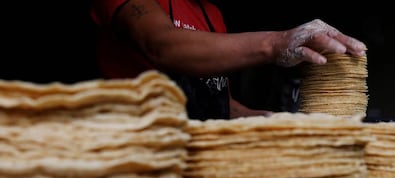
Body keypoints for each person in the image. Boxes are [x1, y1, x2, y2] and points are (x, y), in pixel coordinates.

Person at [89, 0, 367, 120]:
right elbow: (161, 46)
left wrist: (275, 120)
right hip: (134, 153)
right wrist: (275, 43)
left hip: (198, 158)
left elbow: (220, 105)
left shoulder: (212, 15)